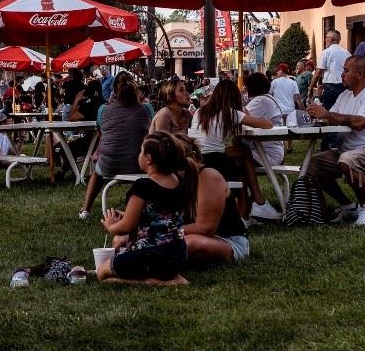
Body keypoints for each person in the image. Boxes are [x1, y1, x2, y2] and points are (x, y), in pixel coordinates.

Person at [306, 56, 365, 226]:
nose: (342, 74)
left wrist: (326, 115)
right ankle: (348, 207)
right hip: (349, 150)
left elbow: (359, 123)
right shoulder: (345, 95)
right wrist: (317, 116)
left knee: (348, 160)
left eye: (346, 70)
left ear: (359, 74)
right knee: (312, 164)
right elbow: (332, 118)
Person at [97, 132, 197, 286]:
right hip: (177, 255)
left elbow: (127, 227)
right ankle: (171, 276)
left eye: (141, 151)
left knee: (102, 273)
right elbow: (158, 217)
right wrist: (126, 214)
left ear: (149, 159)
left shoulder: (143, 186)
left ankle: (154, 282)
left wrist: (111, 226)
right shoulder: (178, 181)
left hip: (150, 255)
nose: (139, 155)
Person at [188, 79, 280, 221]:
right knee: (243, 157)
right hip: (216, 158)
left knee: (241, 154)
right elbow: (267, 124)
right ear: (234, 97)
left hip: (197, 157)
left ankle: (253, 206)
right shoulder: (230, 112)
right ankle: (253, 206)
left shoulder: (200, 111)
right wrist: (245, 111)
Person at [79, 73, 152, 220]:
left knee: (96, 173)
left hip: (109, 165)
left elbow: (102, 135)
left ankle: (86, 209)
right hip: (141, 165)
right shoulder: (146, 109)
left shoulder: (103, 110)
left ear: (114, 91)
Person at [174, 133, 250, 266]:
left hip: (226, 240)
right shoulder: (170, 181)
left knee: (190, 243)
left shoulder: (208, 177)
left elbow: (205, 228)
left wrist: (162, 232)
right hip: (181, 235)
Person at [244, 72, 286, 169]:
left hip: (266, 154)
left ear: (252, 87)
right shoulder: (267, 98)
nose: (245, 89)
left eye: (246, 87)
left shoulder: (260, 101)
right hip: (271, 151)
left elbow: (241, 118)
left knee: (232, 156)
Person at [310, 29, 349, 110]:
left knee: (328, 113)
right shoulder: (347, 53)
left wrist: (310, 87)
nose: (325, 40)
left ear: (330, 39)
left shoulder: (326, 52)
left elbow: (318, 73)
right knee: (342, 111)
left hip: (330, 88)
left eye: (326, 37)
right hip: (344, 87)